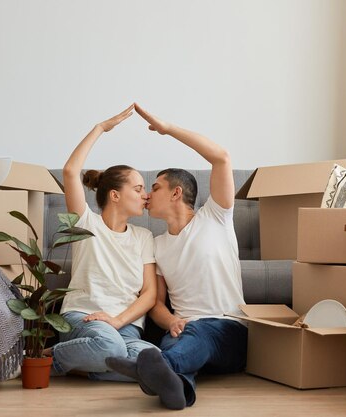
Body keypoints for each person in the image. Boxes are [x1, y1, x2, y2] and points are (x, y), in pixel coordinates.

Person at [106, 103, 247, 409]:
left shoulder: (216, 217)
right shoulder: (157, 244)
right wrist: (170, 321)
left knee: (194, 337)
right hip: (182, 332)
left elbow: (221, 157)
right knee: (177, 347)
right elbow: (156, 301)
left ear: (176, 193)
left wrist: (167, 128)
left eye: (154, 187)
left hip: (228, 330)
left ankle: (147, 367)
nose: (146, 196)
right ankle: (178, 389)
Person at [44, 104, 159, 381]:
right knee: (110, 347)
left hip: (127, 327)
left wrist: (119, 321)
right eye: (138, 188)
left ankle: (84, 367)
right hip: (84, 318)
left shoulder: (143, 237)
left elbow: (149, 294)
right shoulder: (87, 223)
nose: (145, 195)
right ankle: (45, 358)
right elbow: (71, 171)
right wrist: (100, 128)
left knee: (156, 361)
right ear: (115, 195)